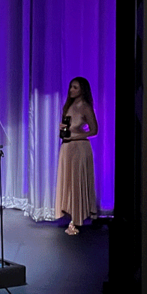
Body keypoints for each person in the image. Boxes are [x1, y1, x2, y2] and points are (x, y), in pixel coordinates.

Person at [55, 76, 99, 235]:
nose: (71, 90)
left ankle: (77, 219)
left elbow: (94, 130)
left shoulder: (85, 107)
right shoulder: (69, 105)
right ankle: (69, 213)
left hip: (79, 148)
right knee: (68, 182)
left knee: (76, 182)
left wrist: (76, 136)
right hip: (66, 148)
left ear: (82, 90)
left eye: (75, 87)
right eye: (71, 87)